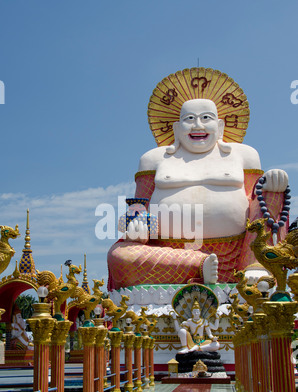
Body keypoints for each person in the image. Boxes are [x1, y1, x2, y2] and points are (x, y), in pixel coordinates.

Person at [107, 69, 288, 290]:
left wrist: (273, 184)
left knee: (270, 190)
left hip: (237, 255)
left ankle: (255, 265)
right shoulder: (154, 159)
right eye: (189, 119)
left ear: (220, 126)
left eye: (206, 118)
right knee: (119, 256)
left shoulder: (244, 154)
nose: (198, 126)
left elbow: (257, 204)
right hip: (169, 255)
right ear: (176, 128)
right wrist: (134, 223)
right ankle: (198, 264)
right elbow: (139, 205)